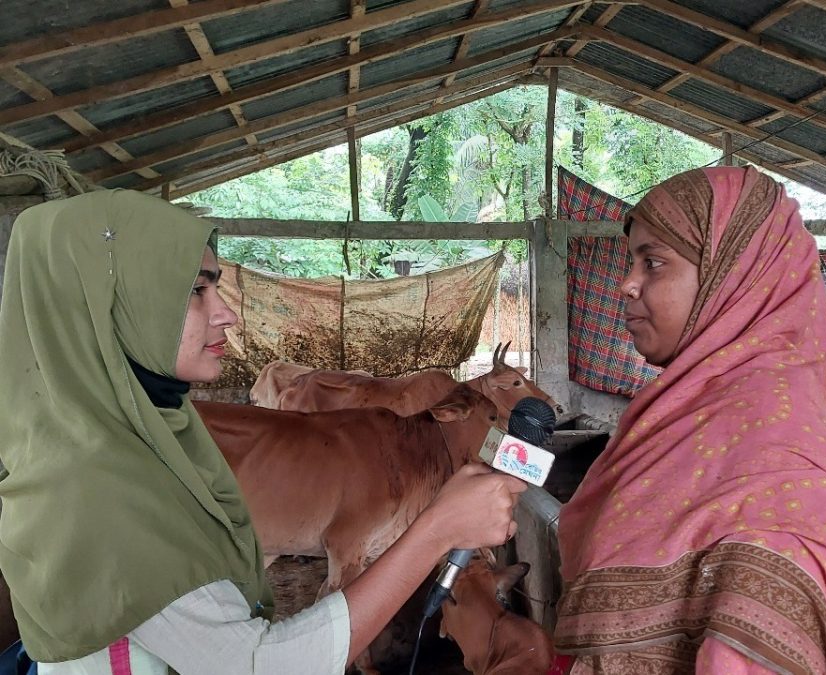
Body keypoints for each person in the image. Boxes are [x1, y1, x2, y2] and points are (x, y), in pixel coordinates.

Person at [0, 189, 526, 674]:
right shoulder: (98, 485)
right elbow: (255, 664)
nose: (225, 313)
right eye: (194, 291)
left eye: (217, 288)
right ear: (110, 308)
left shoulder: (159, 434)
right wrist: (438, 528)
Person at [553, 167, 826, 674]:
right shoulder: (681, 419)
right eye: (631, 262)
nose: (626, 284)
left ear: (732, 277)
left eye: (653, 264)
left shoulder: (784, 485)